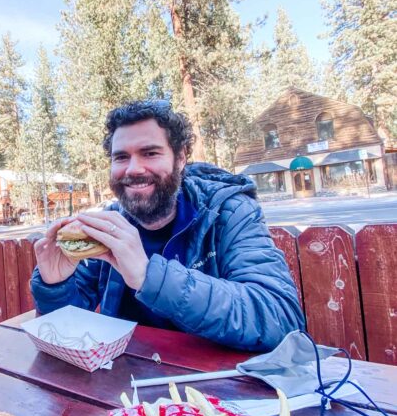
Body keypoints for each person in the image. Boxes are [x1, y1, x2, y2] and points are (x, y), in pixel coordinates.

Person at [31, 100, 304, 351]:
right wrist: (55, 285)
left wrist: (150, 276)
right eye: (121, 157)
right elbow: (69, 330)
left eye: (150, 153)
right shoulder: (108, 227)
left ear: (181, 157)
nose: (133, 169)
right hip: (123, 386)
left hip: (218, 386)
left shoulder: (228, 212)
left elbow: (279, 318)